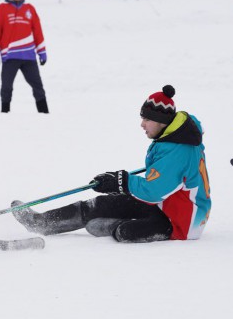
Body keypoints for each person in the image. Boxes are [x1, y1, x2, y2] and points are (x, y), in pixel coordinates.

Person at [13, 85, 211, 243]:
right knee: (101, 203)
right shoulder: (174, 137)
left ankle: (114, 226)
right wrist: (117, 183)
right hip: (165, 203)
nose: (142, 124)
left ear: (163, 121)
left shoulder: (177, 151)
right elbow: (163, 178)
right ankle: (42, 223)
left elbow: (153, 190)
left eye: (148, 119)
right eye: (142, 117)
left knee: (127, 232)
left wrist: (122, 182)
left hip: (181, 221)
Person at [0, 0, 49, 114]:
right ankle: (5, 113)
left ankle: (44, 113)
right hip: (10, 57)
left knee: (38, 86)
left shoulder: (30, 9)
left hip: (29, 56)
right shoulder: (1, 9)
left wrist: (42, 52)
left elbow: (38, 31)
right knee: (6, 87)